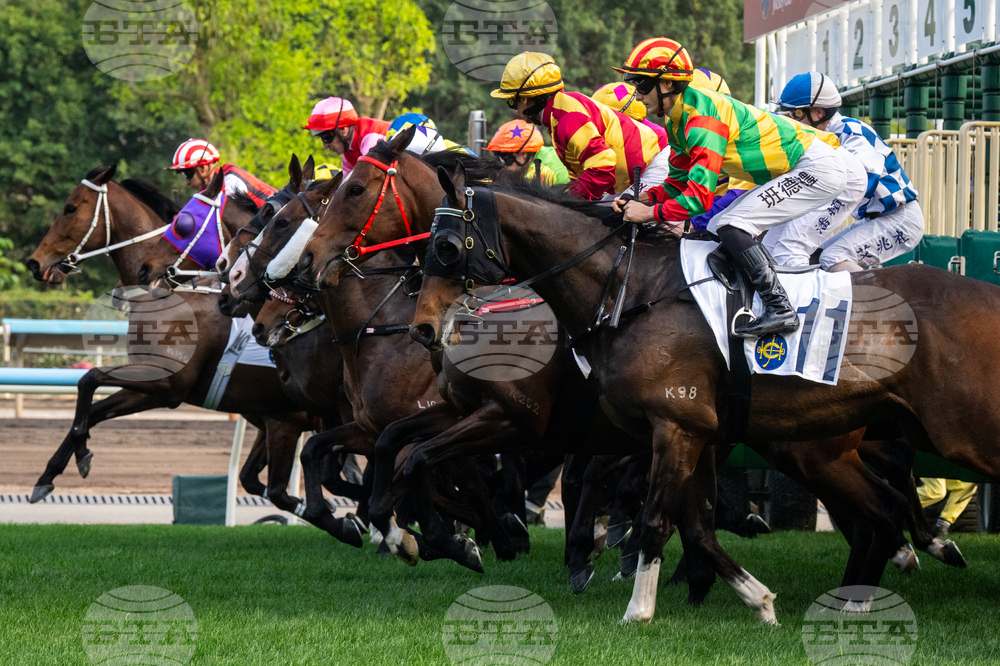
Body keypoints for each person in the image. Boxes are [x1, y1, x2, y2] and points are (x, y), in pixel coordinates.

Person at [611, 38, 852, 338]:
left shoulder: (701, 118)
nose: (637, 95)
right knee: (718, 225)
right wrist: (644, 197)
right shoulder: (677, 120)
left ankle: (780, 308)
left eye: (643, 86)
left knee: (730, 224)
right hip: (806, 164)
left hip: (817, 167)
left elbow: (698, 197)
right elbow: (677, 183)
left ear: (668, 85)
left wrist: (648, 214)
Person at [767, 72, 924, 271]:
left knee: (832, 258)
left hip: (900, 219)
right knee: (815, 257)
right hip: (878, 218)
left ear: (819, 113)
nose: (793, 120)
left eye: (797, 113)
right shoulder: (822, 136)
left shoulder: (850, 132)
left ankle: (876, 301)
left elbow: (865, 178)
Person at [491, 52, 666, 201]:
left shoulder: (567, 117)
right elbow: (581, 175)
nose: (514, 108)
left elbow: (602, 168)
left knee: (619, 223)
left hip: (654, 162)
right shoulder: (557, 115)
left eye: (511, 101)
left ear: (524, 99)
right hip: (635, 174)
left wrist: (563, 196)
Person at [167, 139, 275, 206]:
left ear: (203, 169)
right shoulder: (219, 185)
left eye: (187, 174)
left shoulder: (229, 182)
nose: (187, 182)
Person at [302, 97, 390, 176]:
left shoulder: (370, 138)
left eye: (327, 138)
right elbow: (345, 186)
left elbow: (370, 178)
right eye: (321, 139)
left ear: (343, 130)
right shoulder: (348, 149)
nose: (325, 146)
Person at [486, 119, 559, 185]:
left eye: (506, 157)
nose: (502, 164)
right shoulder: (544, 155)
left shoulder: (539, 170)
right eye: (499, 156)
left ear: (524, 153)